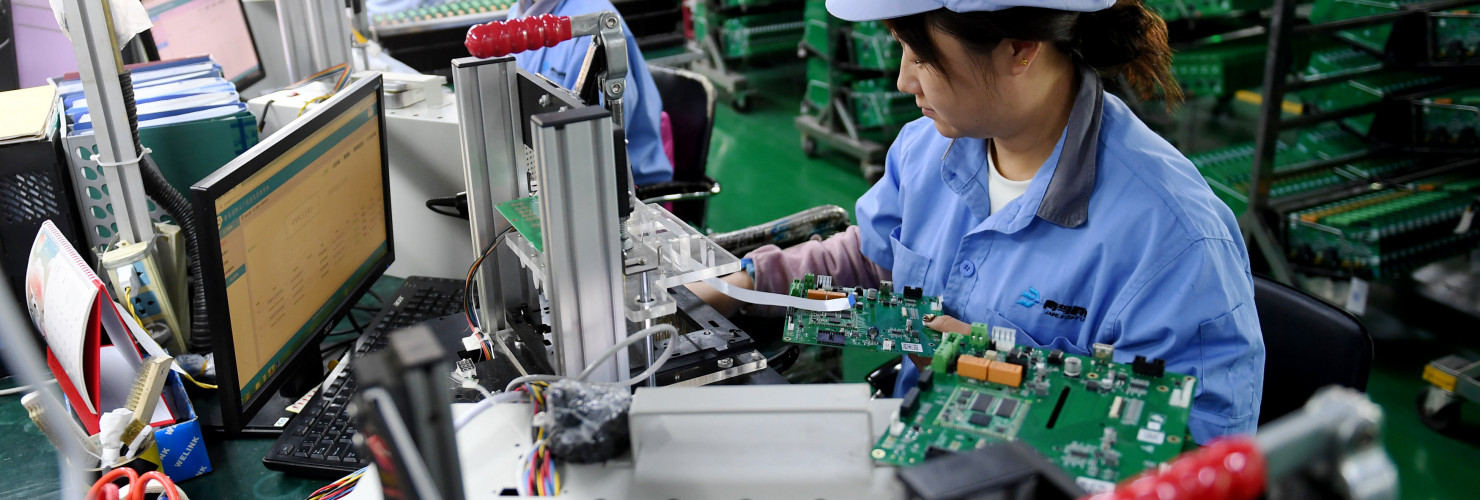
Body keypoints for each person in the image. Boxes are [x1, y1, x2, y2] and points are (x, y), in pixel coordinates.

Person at [695, 0, 1264, 443]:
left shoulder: (1174, 238)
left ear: (1020, 48)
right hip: (925, 446)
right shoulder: (927, 148)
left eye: (920, 57)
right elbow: (872, 259)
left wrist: (1015, 378)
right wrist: (743, 285)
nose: (902, 81)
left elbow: (1193, 454)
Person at [368, 0, 674, 185]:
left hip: (625, 189)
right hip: (547, 165)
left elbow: (597, 149)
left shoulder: (589, 27)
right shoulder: (523, 10)